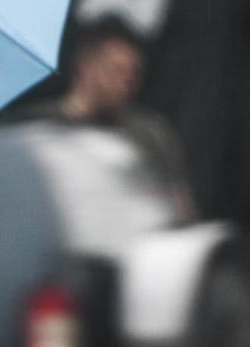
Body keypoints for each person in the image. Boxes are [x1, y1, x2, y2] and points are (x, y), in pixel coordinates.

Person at [47, 17, 196, 219]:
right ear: (85, 66)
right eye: (116, 71)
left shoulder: (149, 135)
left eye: (133, 74)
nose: (125, 83)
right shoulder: (41, 129)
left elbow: (180, 208)